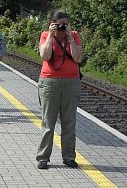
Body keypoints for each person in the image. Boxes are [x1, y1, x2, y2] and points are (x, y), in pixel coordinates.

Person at [36, 9, 84, 169]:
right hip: (50, 83)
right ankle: (43, 157)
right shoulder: (45, 35)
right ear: (51, 24)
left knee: (69, 122)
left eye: (65, 24)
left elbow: (78, 58)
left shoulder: (74, 35)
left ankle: (69, 157)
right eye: (58, 24)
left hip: (71, 83)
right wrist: (50, 35)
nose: (62, 27)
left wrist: (70, 39)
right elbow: (44, 56)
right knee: (48, 123)